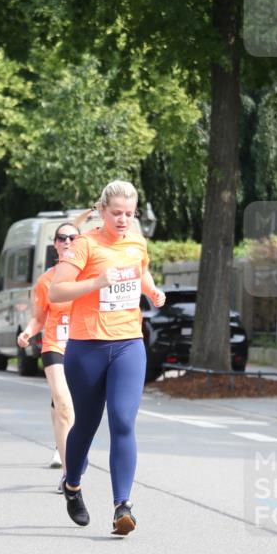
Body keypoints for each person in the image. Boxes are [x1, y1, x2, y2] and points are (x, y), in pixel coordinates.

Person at [49, 180, 165, 535]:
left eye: (129, 214)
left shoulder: (136, 241)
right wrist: (96, 283)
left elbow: (139, 271)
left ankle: (122, 507)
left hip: (129, 342)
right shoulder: (84, 245)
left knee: (123, 420)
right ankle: (72, 485)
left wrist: (152, 290)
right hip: (87, 347)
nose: (123, 219)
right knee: (86, 423)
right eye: (117, 213)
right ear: (101, 211)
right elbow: (57, 291)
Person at [17, 220, 82, 487]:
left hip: (83, 346)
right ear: (54, 244)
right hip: (55, 345)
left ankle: (67, 447)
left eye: (72, 238)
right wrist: (28, 332)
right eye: (61, 238)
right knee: (64, 406)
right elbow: (39, 317)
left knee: (70, 408)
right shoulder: (45, 281)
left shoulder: (89, 275)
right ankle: (68, 474)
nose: (67, 242)